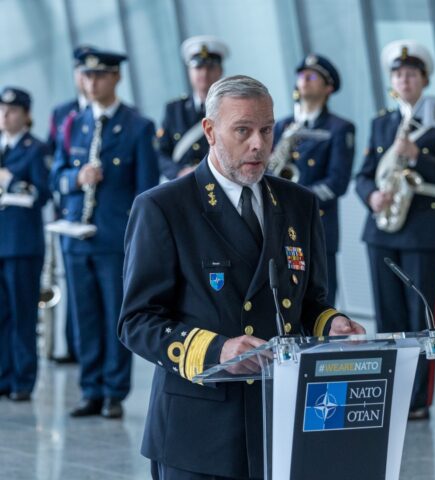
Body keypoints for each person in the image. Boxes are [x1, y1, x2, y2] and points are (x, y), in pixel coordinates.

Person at [118, 75, 365, 479]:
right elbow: (137, 321)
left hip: (279, 422)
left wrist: (332, 323)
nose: (258, 144)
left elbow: (311, 301)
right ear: (210, 131)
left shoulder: (298, 204)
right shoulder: (164, 208)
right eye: (243, 130)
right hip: (198, 434)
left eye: (267, 130)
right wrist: (218, 351)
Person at [355, 40, 435, 421]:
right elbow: (363, 176)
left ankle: (418, 399)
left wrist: (420, 156)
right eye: (399, 74)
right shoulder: (381, 122)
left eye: (412, 74)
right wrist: (370, 197)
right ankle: (391, 393)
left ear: (424, 79)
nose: (405, 79)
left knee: (422, 320)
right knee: (388, 319)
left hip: (423, 231)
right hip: (381, 232)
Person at [50, 48, 159, 418]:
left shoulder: (137, 127)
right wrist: (75, 179)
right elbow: (57, 175)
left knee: (115, 315)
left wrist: (140, 242)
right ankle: (90, 388)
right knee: (84, 317)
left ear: (116, 78)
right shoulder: (72, 122)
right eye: (86, 75)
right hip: (76, 237)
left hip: (114, 239)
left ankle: (114, 391)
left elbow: (146, 191)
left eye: (99, 75)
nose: (91, 82)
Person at [273, 54, 355, 305]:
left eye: (311, 77)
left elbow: (337, 183)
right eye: (301, 76)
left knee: (320, 301)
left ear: (328, 87)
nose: (304, 81)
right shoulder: (283, 125)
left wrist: (298, 200)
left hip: (317, 226)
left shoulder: (339, 128)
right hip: (281, 226)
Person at [0, 86, 51, 401]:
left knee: (22, 315)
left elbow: (43, 193)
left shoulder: (36, 149)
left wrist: (12, 182)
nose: (5, 115)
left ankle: (22, 379)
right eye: (2, 110)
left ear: (26, 115)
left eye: (13, 110)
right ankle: (3, 375)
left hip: (21, 244)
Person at [46, 45, 95, 365]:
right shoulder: (63, 115)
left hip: (104, 223)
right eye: (83, 73)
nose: (88, 80)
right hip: (70, 213)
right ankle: (74, 349)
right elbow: (55, 161)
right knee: (77, 293)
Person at [157, 35, 229, 180]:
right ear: (190, 71)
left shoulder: (231, 107)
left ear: (220, 71)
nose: (204, 73)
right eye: (198, 67)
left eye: (210, 67)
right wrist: (179, 173)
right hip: (185, 185)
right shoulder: (174, 110)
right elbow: (160, 153)